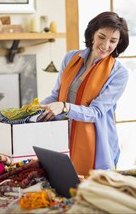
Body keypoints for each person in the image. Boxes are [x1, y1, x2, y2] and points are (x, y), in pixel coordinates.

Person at [38, 11, 129, 176]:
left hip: (96, 146)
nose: (105, 45)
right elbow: (56, 96)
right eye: (101, 37)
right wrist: (33, 109)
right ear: (93, 34)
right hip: (61, 137)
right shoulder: (71, 58)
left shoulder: (119, 73)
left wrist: (65, 107)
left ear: (119, 43)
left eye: (113, 41)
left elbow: (96, 113)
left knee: (88, 196)